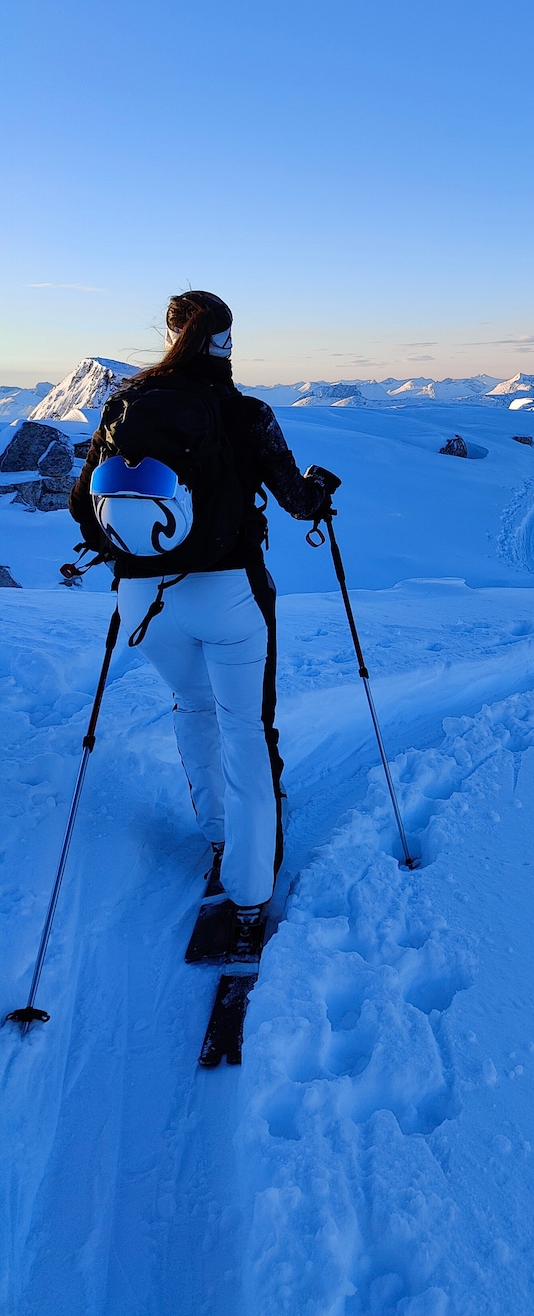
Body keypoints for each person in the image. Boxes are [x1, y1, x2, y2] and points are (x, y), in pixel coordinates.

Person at [70, 291, 340, 952]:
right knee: (245, 730)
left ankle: (219, 839)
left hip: (142, 599)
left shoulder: (122, 407)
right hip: (229, 593)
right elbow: (296, 499)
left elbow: (83, 505)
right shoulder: (246, 412)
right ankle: (250, 897)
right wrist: (319, 493)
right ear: (225, 342)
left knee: (192, 708)